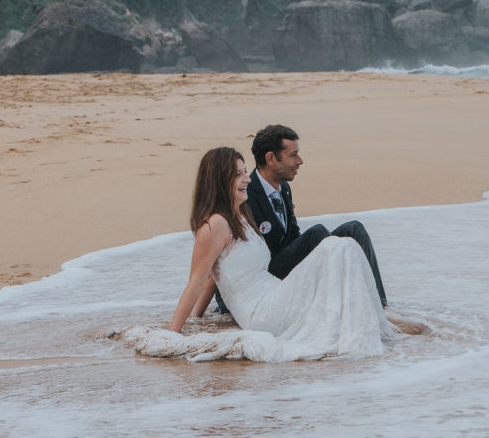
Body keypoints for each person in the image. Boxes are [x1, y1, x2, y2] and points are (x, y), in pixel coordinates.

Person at [150, 147, 394, 362]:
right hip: (260, 312)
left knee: (346, 245)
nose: (247, 179)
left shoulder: (240, 217)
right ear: (218, 180)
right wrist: (174, 333)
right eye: (238, 174)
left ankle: (371, 324)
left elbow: (216, 275)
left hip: (275, 294)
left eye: (246, 171)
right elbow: (198, 279)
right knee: (337, 247)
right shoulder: (214, 226)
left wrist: (198, 318)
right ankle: (368, 325)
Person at [215, 124, 387, 313]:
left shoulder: (283, 188)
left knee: (354, 229)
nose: (300, 161)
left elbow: (292, 239)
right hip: (257, 284)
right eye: (293, 155)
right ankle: (340, 306)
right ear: (271, 158)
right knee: (317, 233)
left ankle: (379, 305)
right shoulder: (245, 194)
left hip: (282, 271)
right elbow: (218, 254)